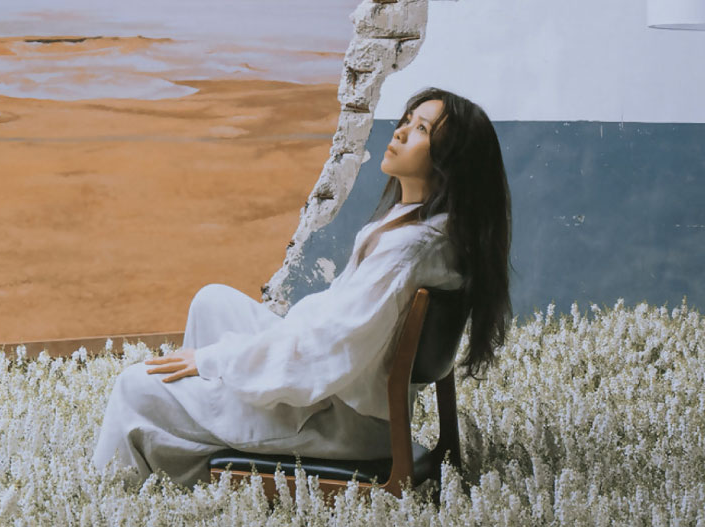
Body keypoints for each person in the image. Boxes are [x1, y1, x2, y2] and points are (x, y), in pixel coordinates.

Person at [91, 87, 513, 488]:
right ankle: (200, 442)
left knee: (134, 386)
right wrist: (234, 357)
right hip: (342, 394)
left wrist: (213, 360)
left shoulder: (410, 248)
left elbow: (327, 347)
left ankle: (114, 486)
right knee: (211, 302)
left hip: (336, 420)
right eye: (406, 119)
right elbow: (334, 326)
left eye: (421, 129)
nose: (400, 131)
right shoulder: (423, 227)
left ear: (451, 161)